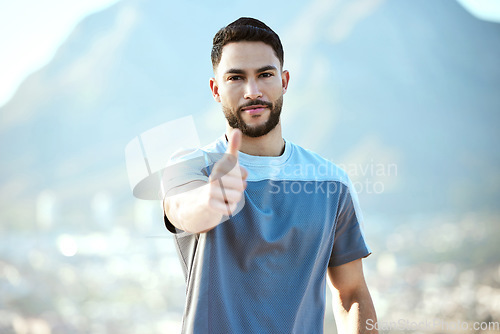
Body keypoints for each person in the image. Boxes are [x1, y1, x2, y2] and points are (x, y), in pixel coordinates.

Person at [162, 17, 378, 333]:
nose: (253, 91)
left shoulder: (332, 183)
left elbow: (352, 293)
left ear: (285, 81)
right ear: (216, 89)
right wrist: (212, 199)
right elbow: (183, 209)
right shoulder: (189, 167)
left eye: (265, 74)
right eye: (236, 77)